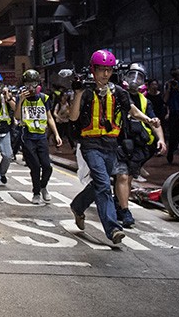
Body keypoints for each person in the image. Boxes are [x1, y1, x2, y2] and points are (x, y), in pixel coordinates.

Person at [68, 50, 161, 244]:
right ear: (93, 70)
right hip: (90, 145)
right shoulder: (85, 91)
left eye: (108, 70)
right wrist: (77, 93)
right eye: (101, 70)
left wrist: (148, 120)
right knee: (103, 184)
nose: (105, 74)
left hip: (110, 145)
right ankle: (112, 229)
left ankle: (78, 206)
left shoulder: (118, 92)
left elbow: (132, 110)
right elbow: (73, 117)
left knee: (99, 183)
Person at [113, 63, 167, 227]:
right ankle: (125, 210)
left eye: (139, 77)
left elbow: (154, 122)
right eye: (132, 75)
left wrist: (161, 139)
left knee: (128, 178)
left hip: (137, 145)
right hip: (118, 142)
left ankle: (119, 204)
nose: (135, 80)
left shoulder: (145, 101)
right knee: (122, 176)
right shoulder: (117, 95)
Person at [15, 69, 62, 205]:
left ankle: (43, 186)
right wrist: (21, 100)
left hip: (41, 136)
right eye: (28, 84)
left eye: (34, 83)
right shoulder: (21, 98)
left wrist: (56, 134)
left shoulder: (44, 98)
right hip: (27, 137)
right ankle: (36, 193)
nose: (31, 87)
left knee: (47, 166)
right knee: (35, 166)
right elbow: (17, 116)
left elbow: (49, 117)